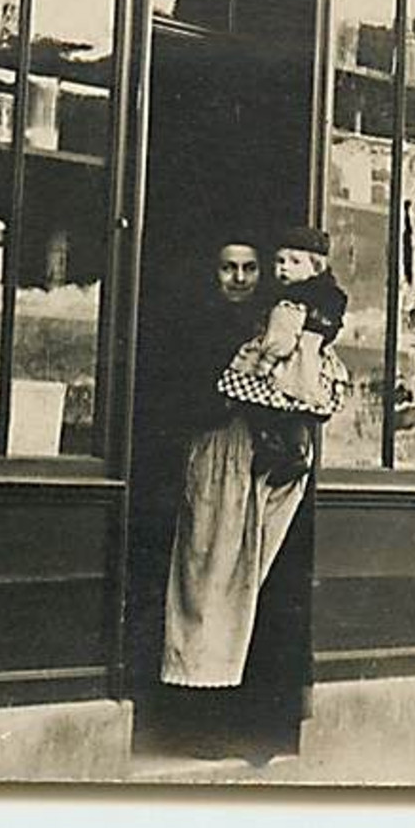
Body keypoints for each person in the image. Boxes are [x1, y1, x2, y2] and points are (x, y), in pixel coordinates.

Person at [163, 231, 326, 694]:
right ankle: (196, 700)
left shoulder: (274, 319)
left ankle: (246, 704)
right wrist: (232, 394)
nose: (239, 278)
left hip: (265, 462)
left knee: (254, 581)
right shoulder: (196, 324)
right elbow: (183, 393)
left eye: (249, 268)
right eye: (228, 268)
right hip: (217, 453)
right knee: (207, 579)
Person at [217, 225, 351, 487]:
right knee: (294, 410)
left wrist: (264, 363)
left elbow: (281, 338)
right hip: (309, 363)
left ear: (316, 267)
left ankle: (273, 446)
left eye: (294, 262)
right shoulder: (327, 298)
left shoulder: (290, 300)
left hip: (287, 362)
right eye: (279, 261)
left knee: (259, 399)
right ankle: (295, 448)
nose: (284, 268)